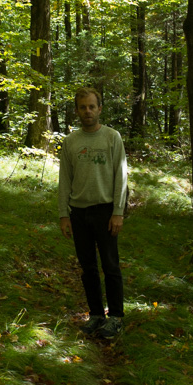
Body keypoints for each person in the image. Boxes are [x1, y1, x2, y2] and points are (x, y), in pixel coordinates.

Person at [58, 86, 129, 339]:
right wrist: (63, 214)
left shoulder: (112, 137)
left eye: (91, 106)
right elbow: (64, 179)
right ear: (77, 111)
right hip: (78, 213)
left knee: (110, 265)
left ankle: (116, 317)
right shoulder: (71, 142)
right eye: (82, 107)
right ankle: (96, 314)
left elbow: (121, 177)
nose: (87, 111)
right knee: (87, 267)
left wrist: (118, 211)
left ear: (99, 108)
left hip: (105, 211)